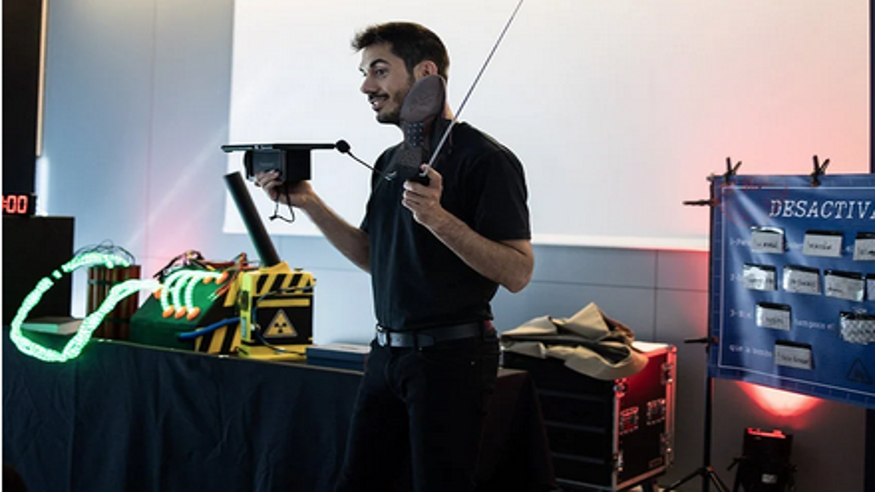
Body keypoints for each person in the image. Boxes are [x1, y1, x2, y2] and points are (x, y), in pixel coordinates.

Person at [254, 21, 533, 492]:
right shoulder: (392, 160)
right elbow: (372, 254)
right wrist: (308, 202)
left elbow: (518, 271)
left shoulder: (486, 159)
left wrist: (438, 218)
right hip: (386, 355)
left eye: (379, 71)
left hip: (451, 360)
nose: (367, 86)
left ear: (426, 73)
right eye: (365, 73)